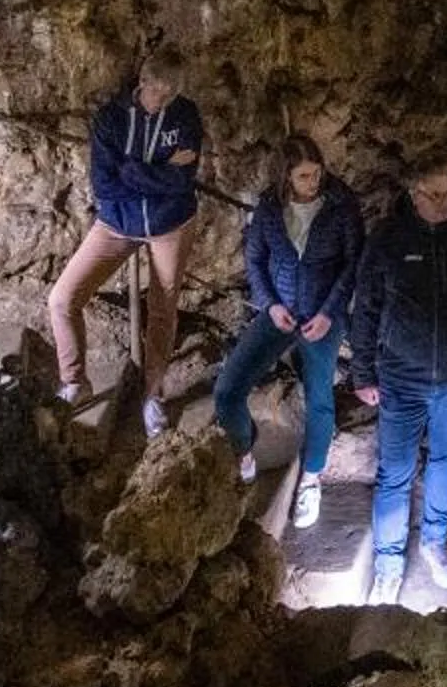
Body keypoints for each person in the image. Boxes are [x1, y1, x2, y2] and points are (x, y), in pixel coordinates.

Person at [347, 156, 447, 605]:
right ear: (413, 193)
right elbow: (367, 305)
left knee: (446, 461)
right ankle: (388, 562)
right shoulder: (389, 238)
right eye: (431, 195)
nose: (441, 204)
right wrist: (363, 369)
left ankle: (434, 542)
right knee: (395, 472)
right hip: (400, 375)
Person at [46, 49, 207, 431]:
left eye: (170, 97)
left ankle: (153, 394)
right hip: (118, 223)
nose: (162, 104)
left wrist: (133, 172)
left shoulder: (186, 116)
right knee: (62, 299)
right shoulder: (111, 120)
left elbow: (184, 181)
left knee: (163, 307)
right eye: (158, 95)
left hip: (171, 223)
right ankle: (74, 381)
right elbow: (105, 185)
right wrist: (162, 171)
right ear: (143, 84)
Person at [212, 133, 364, 527]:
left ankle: (311, 478)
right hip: (280, 311)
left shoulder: (342, 206)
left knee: (319, 399)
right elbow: (255, 258)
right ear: (285, 177)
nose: (313, 182)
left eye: (316, 174)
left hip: (321, 317)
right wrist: (270, 304)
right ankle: (244, 450)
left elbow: (352, 264)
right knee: (228, 391)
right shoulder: (268, 208)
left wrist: (330, 313)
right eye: (303, 176)